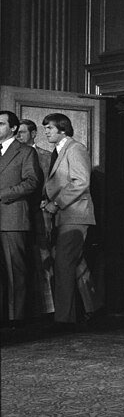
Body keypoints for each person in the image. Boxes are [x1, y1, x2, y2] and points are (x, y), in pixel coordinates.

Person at [41, 113, 102, 329]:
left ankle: (64, 319)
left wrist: (55, 203)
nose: (46, 131)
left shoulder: (75, 148)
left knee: (64, 263)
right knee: (75, 263)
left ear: (63, 130)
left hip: (74, 214)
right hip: (66, 215)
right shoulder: (59, 151)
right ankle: (93, 309)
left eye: (49, 128)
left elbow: (81, 181)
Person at [0, 110, 43, 325]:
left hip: (12, 218)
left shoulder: (25, 152)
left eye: (0, 124)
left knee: (16, 272)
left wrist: (3, 194)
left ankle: (16, 321)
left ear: (13, 128)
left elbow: (32, 182)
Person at [15, 119, 56, 318]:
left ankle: (47, 309)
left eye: (23, 132)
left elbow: (54, 182)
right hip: (18, 214)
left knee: (44, 258)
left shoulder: (46, 157)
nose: (19, 136)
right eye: (17, 132)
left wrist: (47, 201)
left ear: (33, 134)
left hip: (41, 214)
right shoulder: (12, 155)